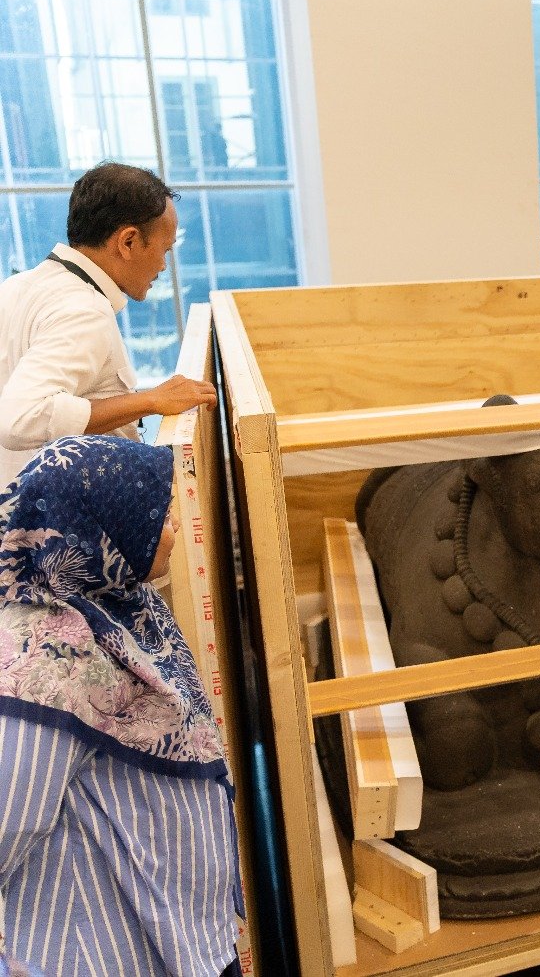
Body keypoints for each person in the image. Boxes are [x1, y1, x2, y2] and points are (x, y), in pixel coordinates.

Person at [0, 435, 242, 976]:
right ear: (104, 526)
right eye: (156, 515)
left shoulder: (118, 602)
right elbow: (6, 818)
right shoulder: (45, 652)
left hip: (181, 937)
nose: (174, 527)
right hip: (107, 951)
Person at [0, 162, 216, 487]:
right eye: (164, 250)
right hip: (53, 527)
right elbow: (19, 419)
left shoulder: (18, 287)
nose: (162, 266)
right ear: (128, 242)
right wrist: (150, 400)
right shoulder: (83, 308)